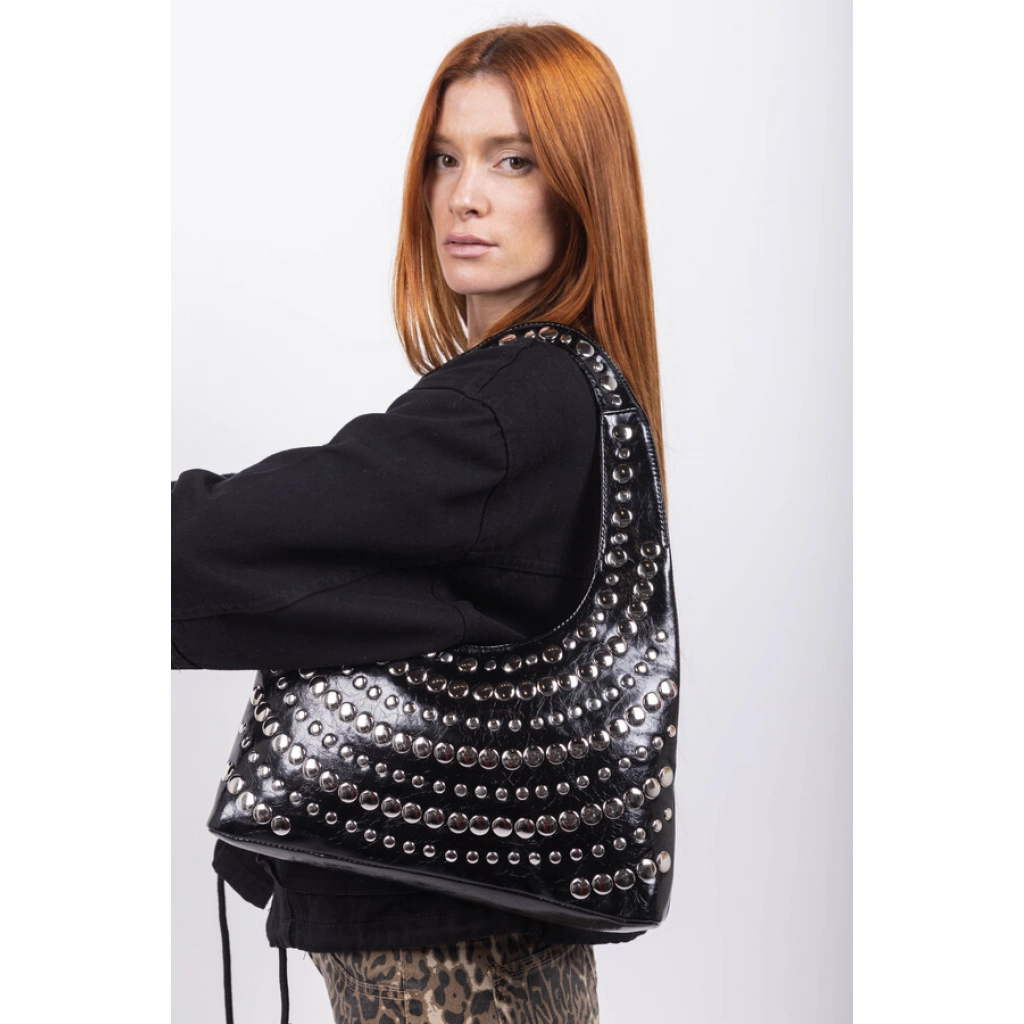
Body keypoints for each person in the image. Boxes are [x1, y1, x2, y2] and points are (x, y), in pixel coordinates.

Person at [172, 21, 668, 1024]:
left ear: (582, 187)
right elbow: (347, 571)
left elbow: (224, 544)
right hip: (487, 932)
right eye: (445, 158)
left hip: (445, 957)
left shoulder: (511, 406)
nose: (463, 195)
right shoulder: (563, 391)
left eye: (513, 161)